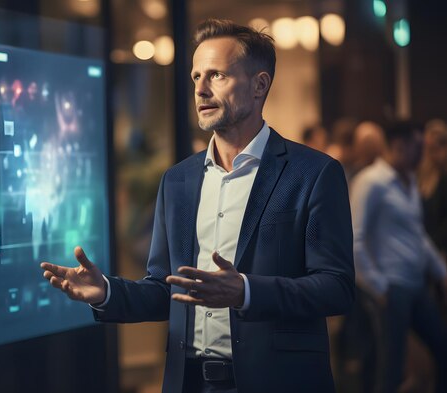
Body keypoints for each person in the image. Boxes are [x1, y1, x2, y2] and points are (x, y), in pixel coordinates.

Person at [41, 19, 355, 393]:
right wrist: (107, 292)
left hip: (278, 381)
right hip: (189, 382)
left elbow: (336, 288)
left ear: (259, 85)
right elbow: (166, 289)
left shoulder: (313, 173)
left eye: (217, 75)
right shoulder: (178, 180)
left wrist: (246, 291)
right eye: (195, 77)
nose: (201, 90)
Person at [350, 121, 447, 393]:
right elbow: (354, 240)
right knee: (390, 367)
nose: (422, 155)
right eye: (418, 148)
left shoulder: (410, 179)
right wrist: (379, 288)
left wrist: (441, 273)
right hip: (392, 287)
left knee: (441, 349)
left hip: (414, 283)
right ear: (399, 146)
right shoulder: (371, 182)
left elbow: (418, 235)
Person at [418, 118, 447, 258]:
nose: (431, 154)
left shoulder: (443, 177)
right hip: (425, 247)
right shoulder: (420, 175)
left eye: (436, 148)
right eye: (428, 149)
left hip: (439, 249)